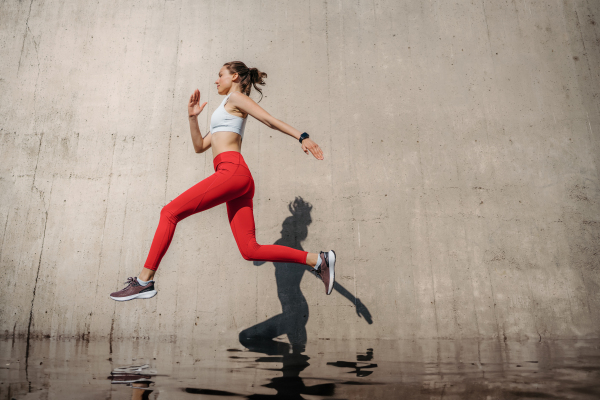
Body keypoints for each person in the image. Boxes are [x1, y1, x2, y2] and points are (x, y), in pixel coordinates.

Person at [110, 61, 336, 302]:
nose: (216, 80)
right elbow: (200, 147)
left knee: (169, 213)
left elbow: (269, 120)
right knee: (250, 251)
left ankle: (144, 281)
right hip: (237, 177)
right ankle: (317, 260)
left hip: (232, 171)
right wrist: (192, 117)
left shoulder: (235, 99)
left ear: (235, 77)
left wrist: (302, 136)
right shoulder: (224, 108)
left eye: (220, 75)